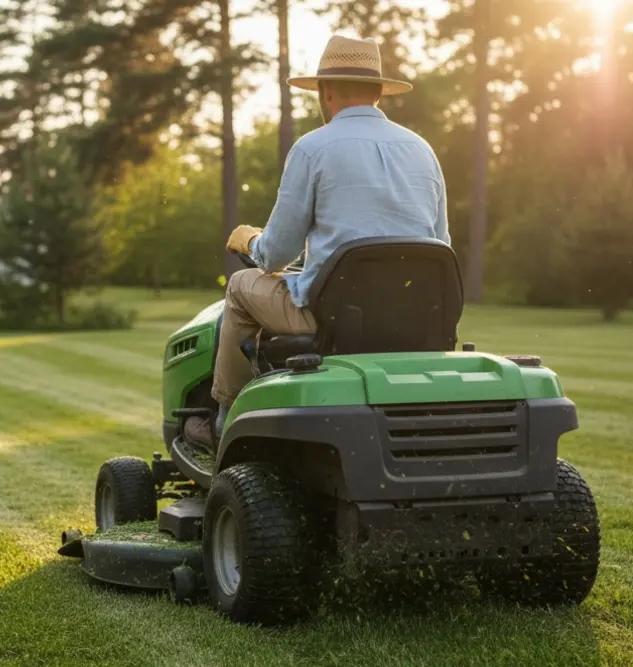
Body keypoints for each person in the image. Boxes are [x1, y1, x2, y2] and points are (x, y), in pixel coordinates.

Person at [184, 34, 450, 449]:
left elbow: (276, 254)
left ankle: (224, 418)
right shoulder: (422, 150)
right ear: (378, 92)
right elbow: (441, 246)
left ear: (326, 92)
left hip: (335, 318)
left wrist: (250, 241)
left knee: (239, 287)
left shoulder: (312, 149)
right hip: (415, 318)